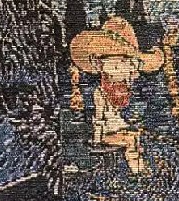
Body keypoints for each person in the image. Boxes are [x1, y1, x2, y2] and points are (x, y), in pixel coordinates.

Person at [69, 15, 164, 176]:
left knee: (134, 138)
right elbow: (98, 122)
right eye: (116, 64)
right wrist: (98, 140)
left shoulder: (132, 91)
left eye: (127, 63)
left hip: (121, 131)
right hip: (108, 135)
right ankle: (137, 170)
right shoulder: (99, 92)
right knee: (130, 140)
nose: (124, 70)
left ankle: (141, 169)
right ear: (100, 64)